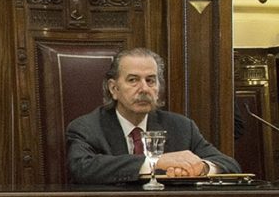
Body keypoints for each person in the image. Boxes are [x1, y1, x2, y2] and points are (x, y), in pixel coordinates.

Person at [66, 47, 240, 184]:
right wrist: (155, 162)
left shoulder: (181, 127)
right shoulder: (87, 127)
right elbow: (81, 168)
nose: (144, 89)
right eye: (133, 80)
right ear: (114, 88)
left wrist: (201, 168)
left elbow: (230, 165)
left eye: (150, 80)